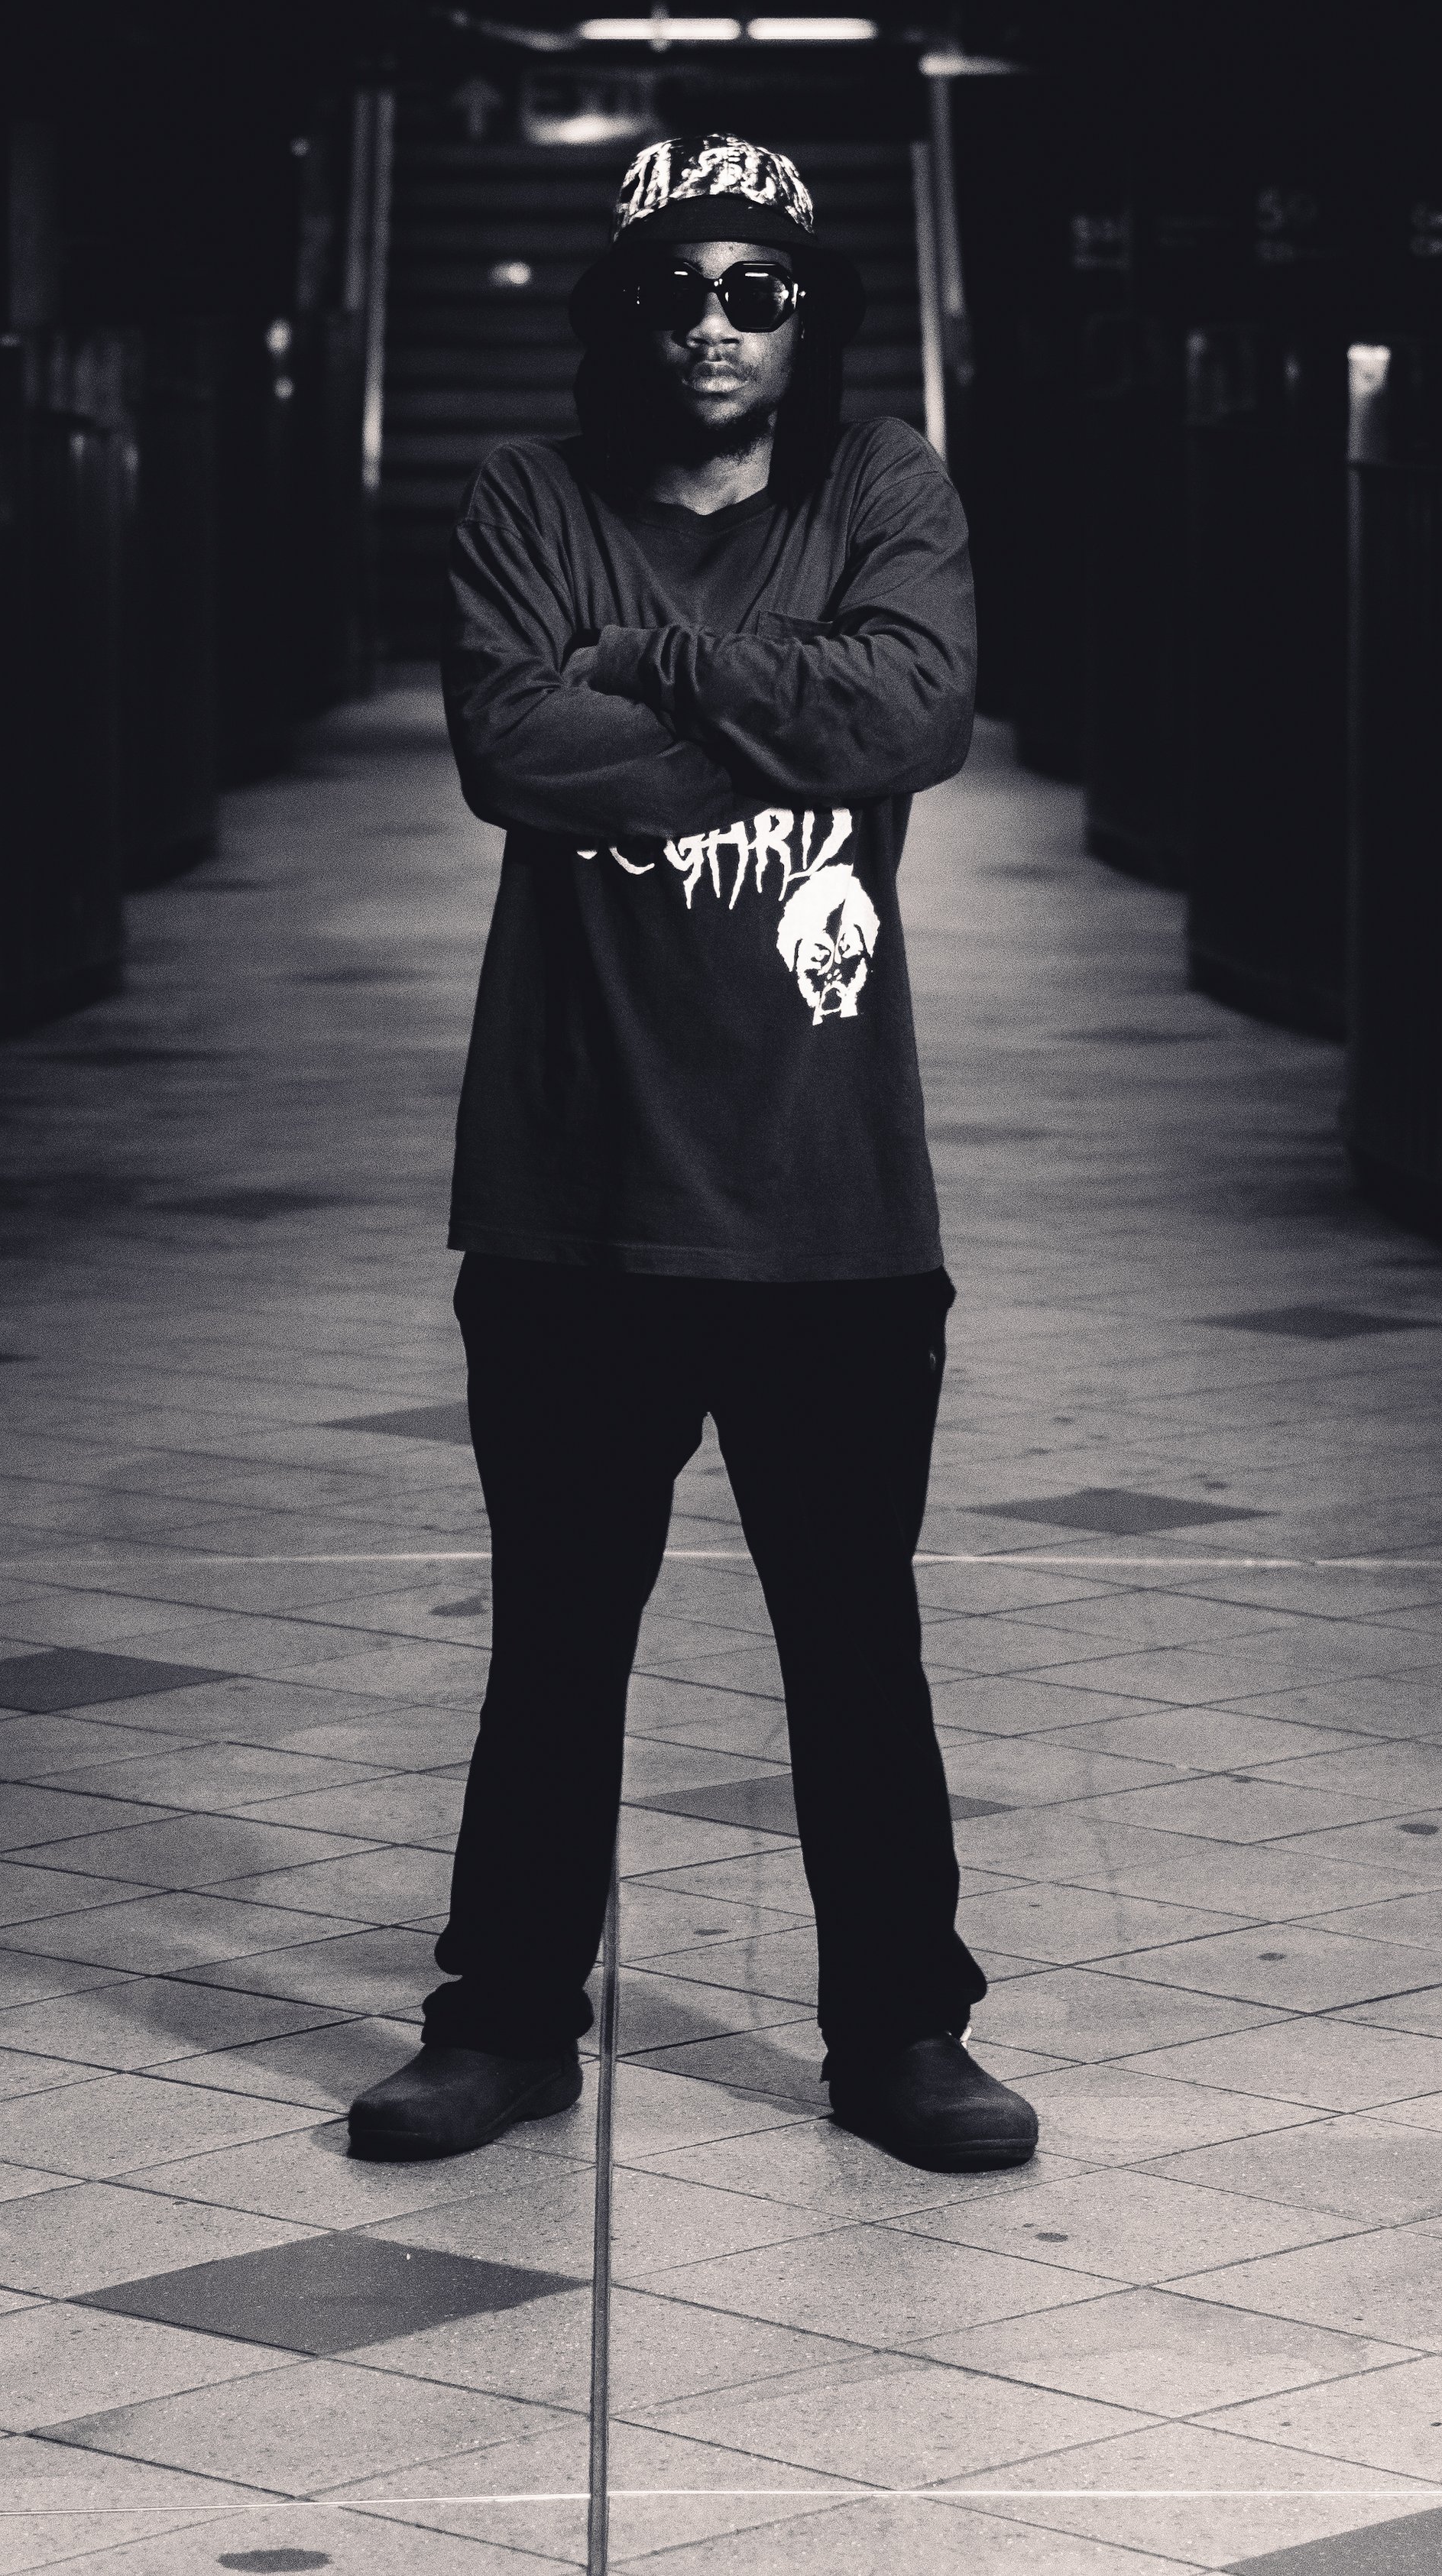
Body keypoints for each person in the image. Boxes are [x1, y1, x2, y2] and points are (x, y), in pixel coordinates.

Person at [348, 133, 1038, 2176]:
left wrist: (644, 664)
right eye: (674, 288)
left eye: (756, 289)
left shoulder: (881, 486)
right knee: (560, 1627)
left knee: (851, 1629)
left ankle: (902, 2030)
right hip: (572, 1194)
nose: (715, 324)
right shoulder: (525, 499)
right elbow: (509, 749)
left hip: (832, 1200)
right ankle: (497, 2022)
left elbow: (911, 716)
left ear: (809, 315)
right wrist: (783, 700)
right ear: (616, 312)